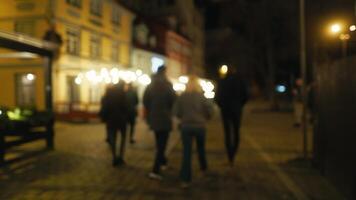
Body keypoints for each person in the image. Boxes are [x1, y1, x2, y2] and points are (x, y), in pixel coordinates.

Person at [174, 75, 213, 188]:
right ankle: (204, 169)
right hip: (200, 126)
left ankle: (185, 178)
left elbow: (176, 111)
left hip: (186, 127)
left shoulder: (182, 96)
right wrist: (206, 118)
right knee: (201, 149)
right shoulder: (201, 96)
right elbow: (210, 109)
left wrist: (183, 117)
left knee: (187, 152)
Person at [143, 65, 176, 180]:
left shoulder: (150, 85)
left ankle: (163, 162)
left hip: (154, 118)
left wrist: (150, 111)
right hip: (165, 118)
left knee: (159, 142)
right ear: (165, 72)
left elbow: (145, 100)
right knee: (162, 145)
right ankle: (155, 170)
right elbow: (173, 100)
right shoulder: (168, 85)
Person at [215, 67, 248, 167]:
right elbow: (246, 96)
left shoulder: (222, 81)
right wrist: (240, 105)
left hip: (225, 110)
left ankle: (230, 156)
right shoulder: (240, 81)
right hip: (237, 109)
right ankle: (233, 152)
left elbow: (217, 97)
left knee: (227, 133)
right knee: (236, 131)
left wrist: (222, 105)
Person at [99, 82, 128, 166]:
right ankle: (121, 157)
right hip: (122, 120)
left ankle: (114, 157)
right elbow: (126, 106)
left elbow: (104, 106)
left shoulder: (108, 94)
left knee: (113, 138)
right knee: (123, 138)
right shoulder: (122, 94)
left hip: (111, 120)